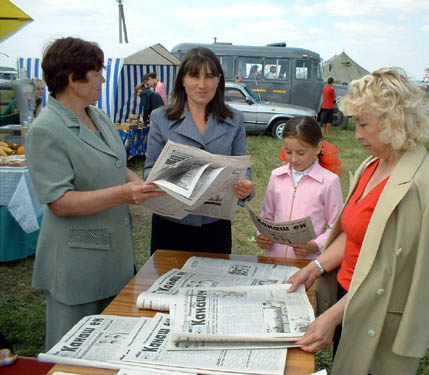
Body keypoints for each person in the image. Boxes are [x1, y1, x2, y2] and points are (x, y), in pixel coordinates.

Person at [287, 67, 429, 374]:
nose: (357, 135)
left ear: (394, 119)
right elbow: (353, 234)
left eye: (364, 124)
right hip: (346, 297)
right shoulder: (371, 165)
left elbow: (393, 276)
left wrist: (334, 316)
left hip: (378, 318)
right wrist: (315, 267)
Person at [25, 37, 164, 350]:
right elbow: (59, 203)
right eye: (97, 72)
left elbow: (116, 165)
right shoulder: (46, 130)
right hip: (77, 265)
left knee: (111, 346)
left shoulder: (97, 116)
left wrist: (144, 184)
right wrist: (124, 193)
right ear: (74, 80)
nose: (103, 79)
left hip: (113, 258)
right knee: (74, 351)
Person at [143, 47, 254, 256]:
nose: (202, 85)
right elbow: (148, 171)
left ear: (219, 80)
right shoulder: (160, 118)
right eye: (194, 76)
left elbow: (243, 167)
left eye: (210, 76)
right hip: (170, 225)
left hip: (215, 226)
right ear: (182, 80)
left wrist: (246, 186)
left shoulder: (235, 119)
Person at [257, 116, 343, 259]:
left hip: (307, 263)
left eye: (301, 153)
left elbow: (336, 226)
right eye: (288, 151)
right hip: (274, 258)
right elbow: (266, 216)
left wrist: (315, 245)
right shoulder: (276, 176)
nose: (294, 159)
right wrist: (262, 235)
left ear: (318, 148)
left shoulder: (329, 181)